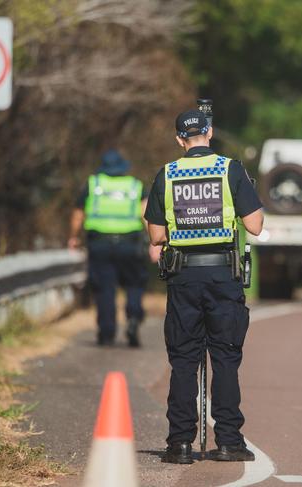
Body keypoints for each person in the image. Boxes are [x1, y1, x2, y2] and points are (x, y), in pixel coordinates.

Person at [145, 109, 263, 464]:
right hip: (223, 278)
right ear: (209, 133)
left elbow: (155, 235)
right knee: (225, 359)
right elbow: (255, 226)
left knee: (183, 360)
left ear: (179, 139)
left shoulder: (166, 174)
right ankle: (228, 441)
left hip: (183, 279)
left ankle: (180, 442)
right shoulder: (231, 169)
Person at [68, 149, 150, 347]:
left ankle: (106, 332)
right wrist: (155, 241)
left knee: (104, 288)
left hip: (100, 244)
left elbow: (78, 214)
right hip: (129, 244)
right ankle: (132, 316)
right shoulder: (135, 186)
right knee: (134, 283)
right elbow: (146, 214)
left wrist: (73, 238)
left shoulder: (93, 184)